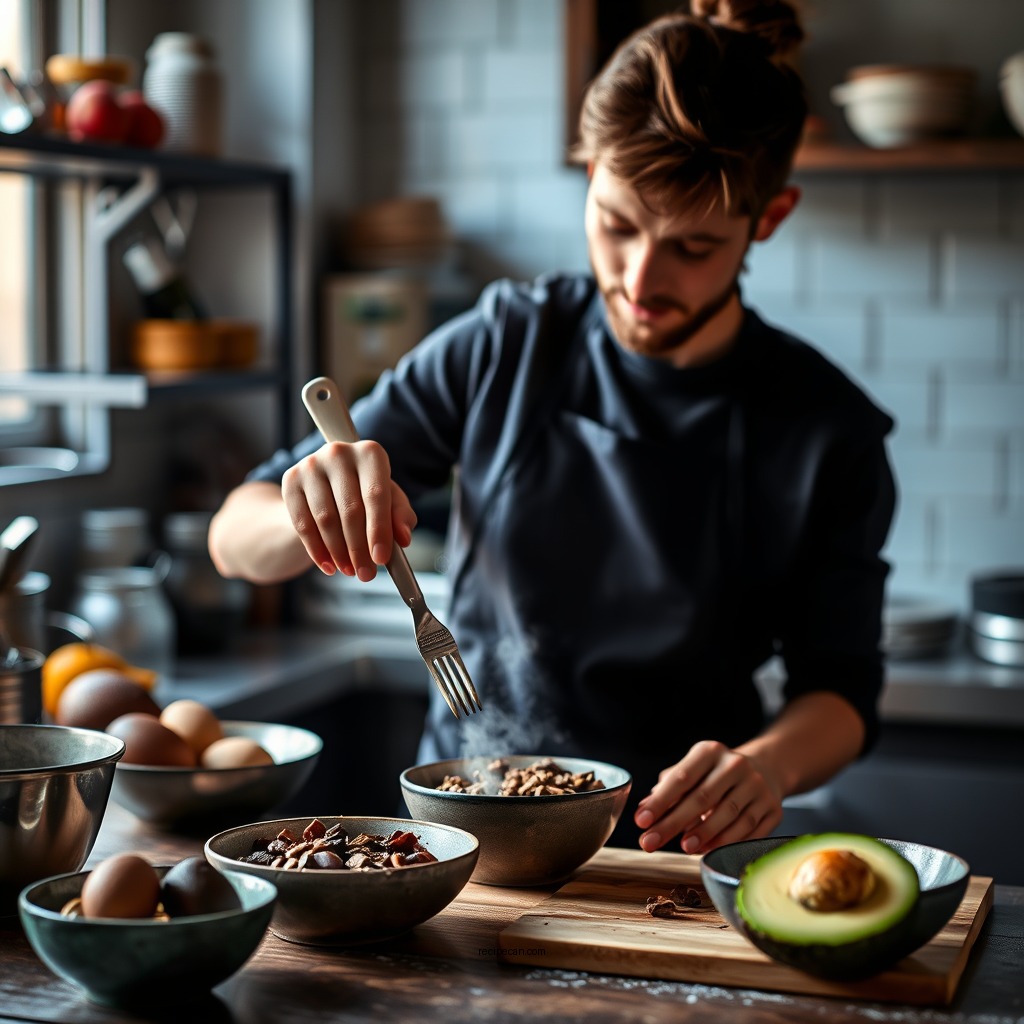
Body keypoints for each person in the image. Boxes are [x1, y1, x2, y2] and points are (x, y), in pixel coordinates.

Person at [209, 0, 896, 856]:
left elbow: (841, 691)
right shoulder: (506, 343)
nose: (640, 280)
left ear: (771, 216)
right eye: (617, 224)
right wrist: (306, 510)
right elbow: (233, 540)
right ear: (590, 171)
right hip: (463, 841)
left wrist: (767, 767)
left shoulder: (826, 427)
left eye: (693, 247)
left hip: (671, 849)